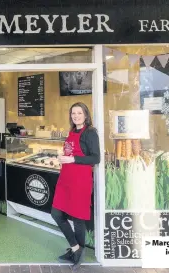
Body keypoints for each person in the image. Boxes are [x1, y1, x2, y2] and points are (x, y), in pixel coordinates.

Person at [51, 102, 100, 270]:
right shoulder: (72, 132)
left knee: (78, 219)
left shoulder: (90, 133)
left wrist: (73, 159)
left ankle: (76, 254)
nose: (76, 116)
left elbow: (95, 158)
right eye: (73, 113)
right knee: (56, 213)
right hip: (66, 180)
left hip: (80, 181)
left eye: (79, 113)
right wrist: (63, 158)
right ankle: (76, 248)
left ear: (86, 115)